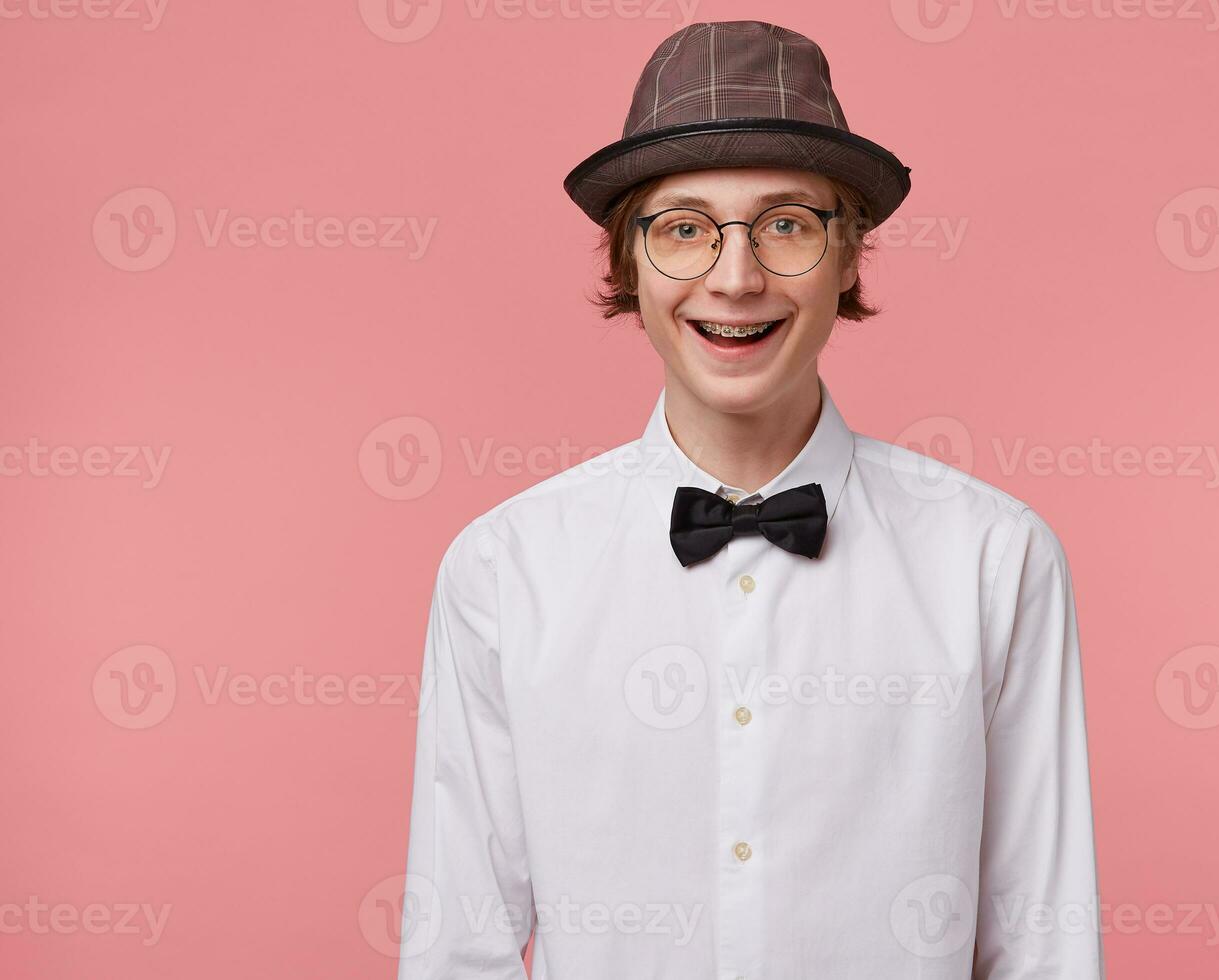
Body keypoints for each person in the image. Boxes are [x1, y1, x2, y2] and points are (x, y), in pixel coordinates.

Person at [397, 19, 1104, 980]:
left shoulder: (994, 558)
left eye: (787, 225)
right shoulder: (503, 568)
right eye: (684, 228)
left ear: (850, 257)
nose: (736, 278)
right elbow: (459, 949)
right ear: (628, 264)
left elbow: (1044, 945)